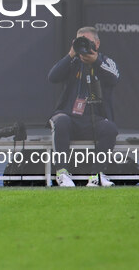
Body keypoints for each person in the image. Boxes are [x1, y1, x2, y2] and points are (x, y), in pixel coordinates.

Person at [48, 27, 120, 187]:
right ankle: (62, 173)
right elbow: (53, 77)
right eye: (80, 42)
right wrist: (71, 54)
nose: (84, 46)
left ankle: (96, 175)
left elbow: (114, 78)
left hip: (95, 118)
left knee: (110, 128)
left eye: (88, 42)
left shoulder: (106, 61)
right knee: (60, 121)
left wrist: (96, 61)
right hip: (69, 116)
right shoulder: (72, 62)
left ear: (97, 43)